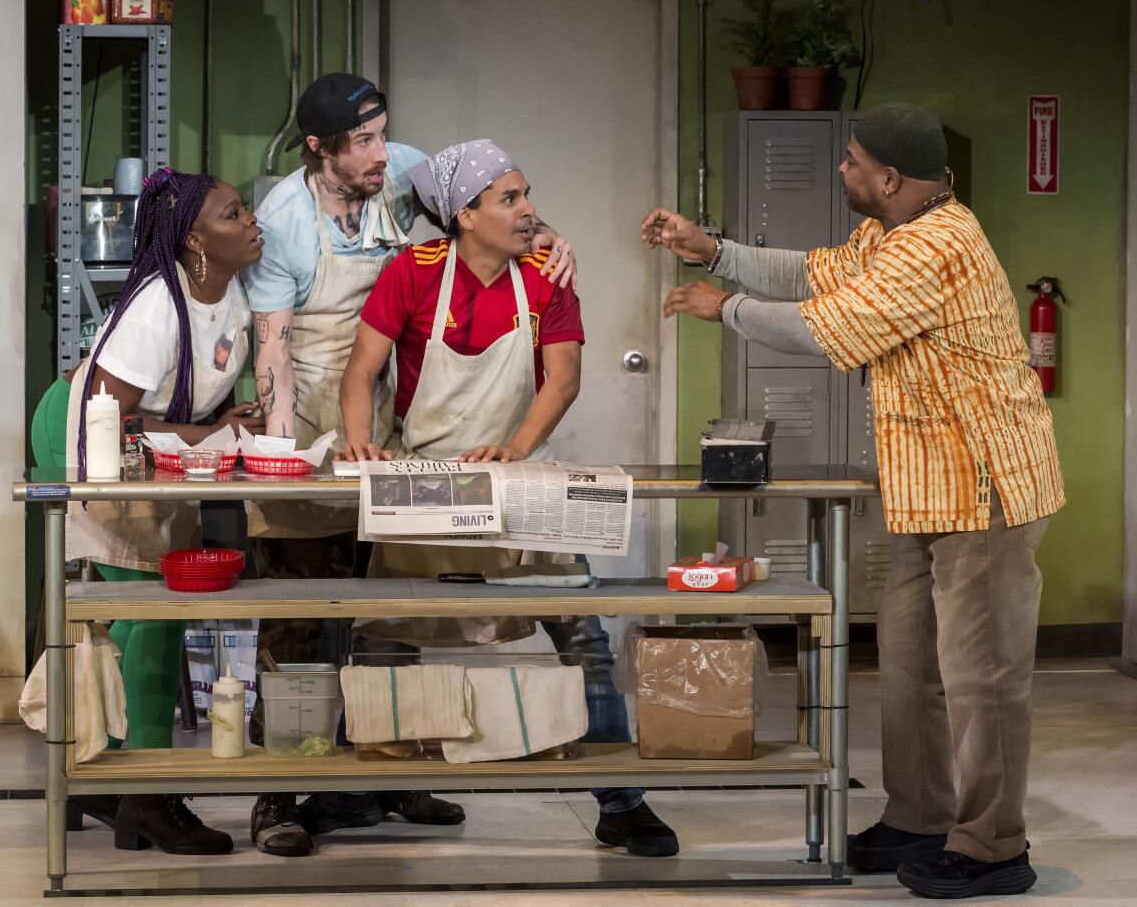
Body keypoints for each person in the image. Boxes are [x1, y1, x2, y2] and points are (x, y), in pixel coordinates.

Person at [643, 102, 1064, 898]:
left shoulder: (938, 246)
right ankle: (919, 815)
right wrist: (718, 250)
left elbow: (829, 328)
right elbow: (812, 272)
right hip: (925, 492)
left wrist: (721, 305)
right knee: (909, 668)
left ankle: (994, 846)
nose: (842, 172)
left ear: (891, 178)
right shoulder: (890, 235)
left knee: (982, 680)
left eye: (851, 162)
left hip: (983, 493)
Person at [241, 73, 579, 857]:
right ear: (317, 147)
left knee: (391, 606)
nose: (381, 154)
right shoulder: (284, 221)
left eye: (382, 134)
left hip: (403, 418)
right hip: (319, 408)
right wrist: (295, 465)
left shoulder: (405, 171)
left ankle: (385, 772)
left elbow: (494, 209)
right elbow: (275, 353)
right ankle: (280, 793)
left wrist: (554, 241)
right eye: (361, 142)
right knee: (303, 611)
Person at [340, 139, 679, 858]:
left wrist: (516, 450)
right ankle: (356, 783)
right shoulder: (414, 272)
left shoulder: (546, 280)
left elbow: (562, 381)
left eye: (527, 197)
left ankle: (621, 803)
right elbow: (361, 369)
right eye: (510, 199)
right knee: (380, 636)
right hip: (425, 476)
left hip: (523, 476)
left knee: (583, 637)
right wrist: (358, 441)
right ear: (463, 215)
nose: (530, 213)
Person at [30, 168, 266, 855]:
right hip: (89, 438)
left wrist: (226, 422)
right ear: (195, 239)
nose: (250, 221)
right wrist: (211, 437)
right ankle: (149, 796)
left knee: (145, 610)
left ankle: (111, 781)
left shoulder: (231, 294)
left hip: (160, 449)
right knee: (155, 610)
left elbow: (189, 397)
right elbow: (113, 422)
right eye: (231, 214)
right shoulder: (158, 306)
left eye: (245, 208)